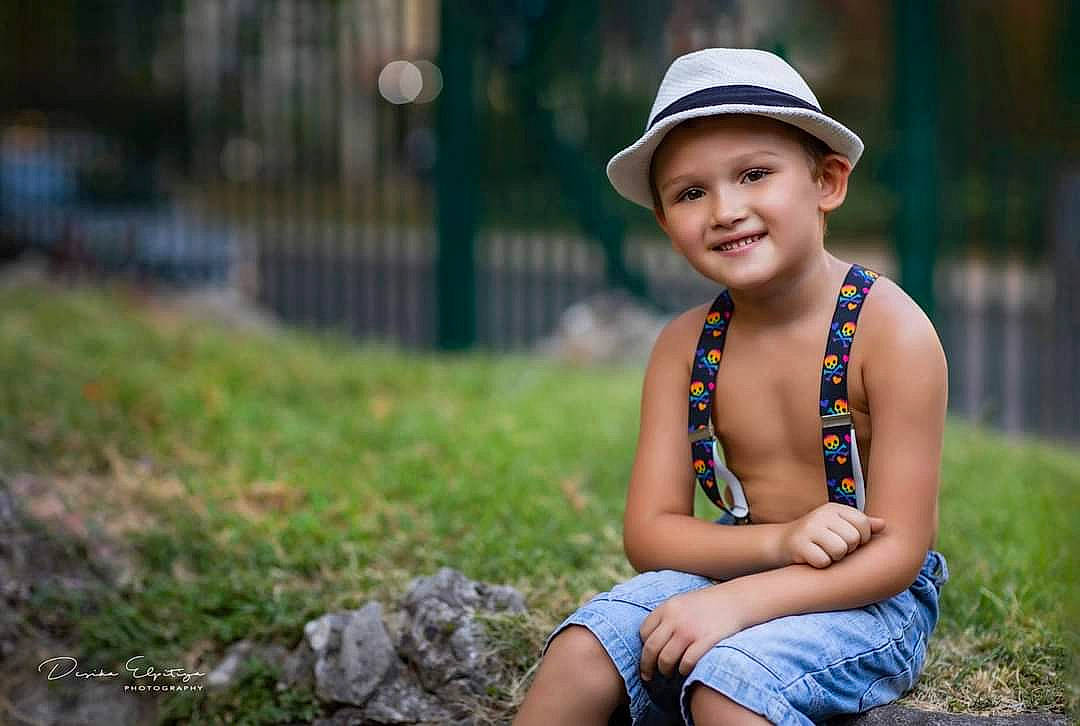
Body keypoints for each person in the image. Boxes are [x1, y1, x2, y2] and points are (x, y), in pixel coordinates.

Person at [511, 48, 950, 726]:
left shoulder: (892, 334)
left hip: (867, 595)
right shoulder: (684, 348)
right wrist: (775, 547)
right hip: (741, 558)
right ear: (666, 223)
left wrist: (736, 604)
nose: (725, 210)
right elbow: (651, 533)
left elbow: (899, 553)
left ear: (828, 181)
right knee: (582, 650)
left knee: (728, 684)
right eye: (691, 193)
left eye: (754, 174)